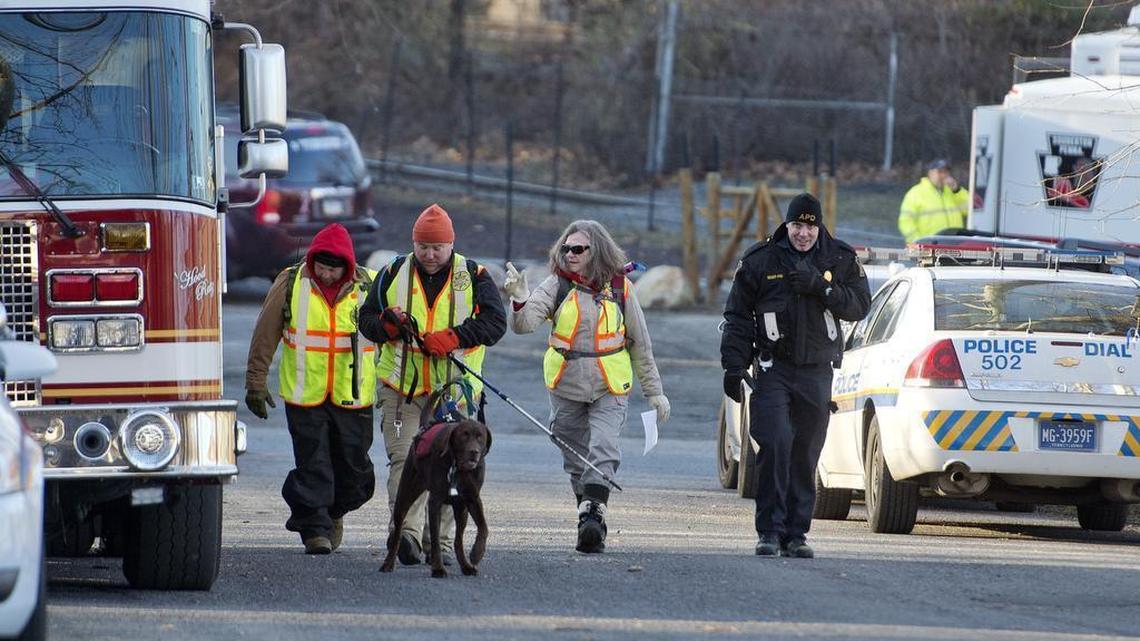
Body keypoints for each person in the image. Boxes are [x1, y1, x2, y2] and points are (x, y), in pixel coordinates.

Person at [505, 220, 670, 554]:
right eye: (566, 249)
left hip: (611, 384)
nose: (571, 254)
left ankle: (592, 517)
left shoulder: (621, 287)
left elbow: (640, 343)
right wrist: (520, 299)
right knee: (572, 450)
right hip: (566, 384)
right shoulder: (556, 286)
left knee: (605, 447)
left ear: (597, 251)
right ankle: (589, 508)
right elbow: (524, 325)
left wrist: (655, 391)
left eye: (578, 249)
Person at [721, 194, 870, 559]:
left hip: (816, 372)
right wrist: (733, 365)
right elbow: (738, 317)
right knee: (775, 443)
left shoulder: (838, 257)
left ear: (819, 227)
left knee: (805, 452)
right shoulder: (761, 260)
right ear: (786, 225)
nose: (803, 234)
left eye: (810, 226)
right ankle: (769, 531)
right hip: (773, 369)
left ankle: (796, 534)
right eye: (797, 226)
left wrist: (821, 287)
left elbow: (859, 307)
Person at [357, 203, 506, 566]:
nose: (430, 254)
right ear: (414, 243)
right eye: (423, 246)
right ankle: (405, 534)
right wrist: (388, 325)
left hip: (453, 394)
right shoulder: (393, 271)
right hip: (401, 387)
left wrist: (455, 337)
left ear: (451, 244)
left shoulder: (474, 275)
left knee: (452, 466)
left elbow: (495, 324)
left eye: (438, 247)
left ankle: (435, 540)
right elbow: (366, 320)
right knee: (404, 460)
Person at [244, 223, 379, 555]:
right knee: (313, 464)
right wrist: (255, 383)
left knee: (356, 474)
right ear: (313, 260)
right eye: (322, 267)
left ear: (347, 266)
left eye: (334, 269)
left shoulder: (371, 285)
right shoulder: (291, 282)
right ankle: (314, 528)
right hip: (305, 395)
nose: (327, 274)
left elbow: (390, 336)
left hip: (354, 396)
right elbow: (265, 333)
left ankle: (333, 511)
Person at [898, 159, 970, 244]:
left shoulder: (953, 191)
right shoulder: (916, 193)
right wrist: (918, 242)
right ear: (930, 173)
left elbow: (971, 211)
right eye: (939, 172)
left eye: (946, 172)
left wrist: (957, 190)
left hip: (955, 245)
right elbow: (905, 222)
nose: (943, 175)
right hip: (928, 246)